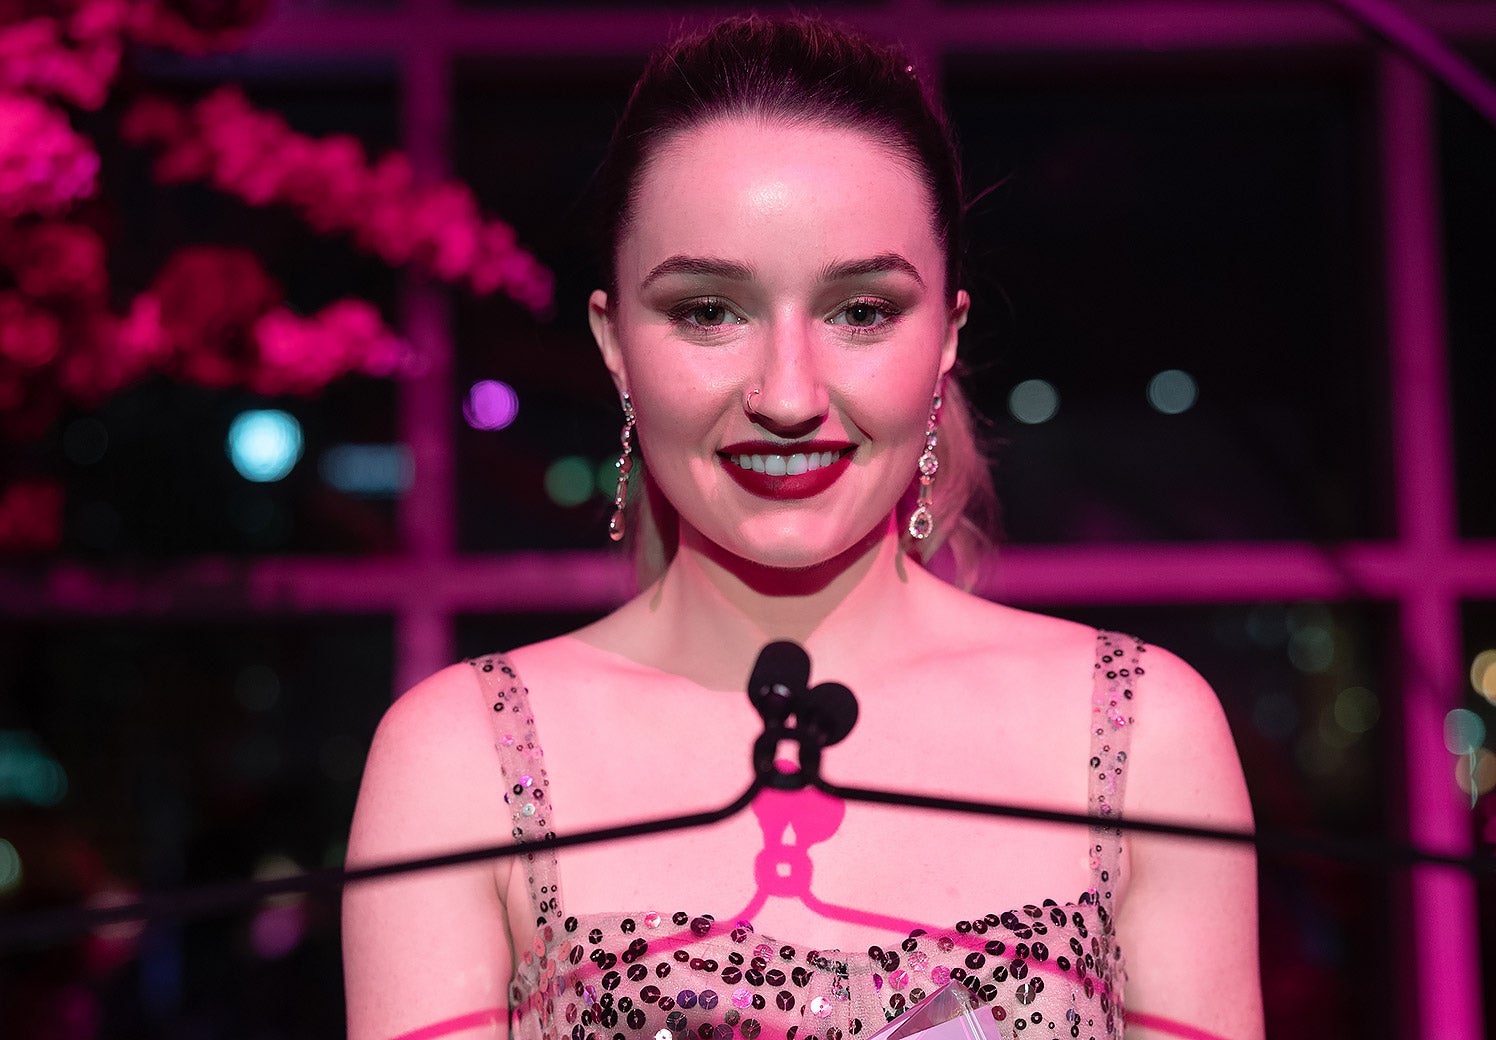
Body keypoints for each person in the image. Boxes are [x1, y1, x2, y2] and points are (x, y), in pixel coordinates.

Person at [343, 15, 1261, 1040]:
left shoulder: (1139, 733)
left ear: (948, 335)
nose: (788, 393)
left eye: (861, 311)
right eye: (708, 310)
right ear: (614, 343)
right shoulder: (463, 758)